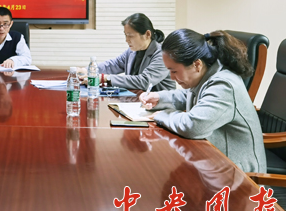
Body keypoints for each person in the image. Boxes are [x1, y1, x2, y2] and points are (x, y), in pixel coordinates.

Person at [140, 29, 266, 173]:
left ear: (197, 64)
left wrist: (162, 115)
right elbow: (189, 95)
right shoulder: (208, 74)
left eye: (174, 71)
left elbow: (194, 126)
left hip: (240, 175)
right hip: (214, 162)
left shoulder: (223, 85)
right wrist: (159, 98)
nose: (172, 77)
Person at [95, 13, 175, 91]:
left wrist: (106, 78)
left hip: (159, 99)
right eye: (126, 35)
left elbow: (144, 81)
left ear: (147, 34)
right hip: (137, 97)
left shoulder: (163, 54)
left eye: (130, 36)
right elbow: (113, 65)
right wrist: (92, 70)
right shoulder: (131, 51)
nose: (127, 40)